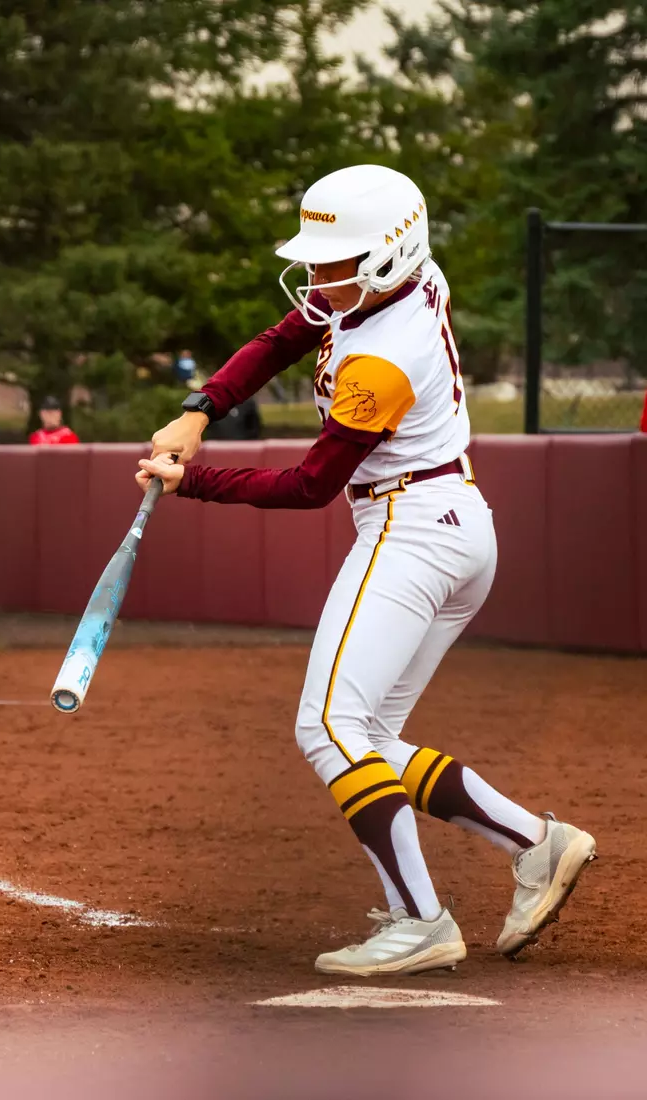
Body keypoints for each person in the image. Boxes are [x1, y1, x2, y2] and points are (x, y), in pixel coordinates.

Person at [137, 164, 596, 978]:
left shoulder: (385, 357)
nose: (317, 277)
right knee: (371, 736)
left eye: (333, 262)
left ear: (385, 258)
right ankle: (537, 842)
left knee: (327, 728)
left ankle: (421, 921)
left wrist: (193, 481)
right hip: (456, 525)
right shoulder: (398, 279)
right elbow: (286, 334)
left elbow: (310, 485)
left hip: (409, 529)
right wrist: (201, 409)